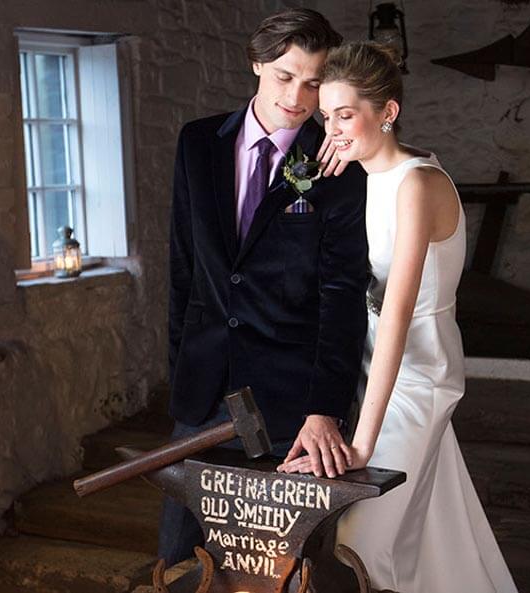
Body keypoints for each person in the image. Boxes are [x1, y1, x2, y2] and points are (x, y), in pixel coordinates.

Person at [279, 42, 519, 593]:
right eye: (325, 116)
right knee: (434, 536)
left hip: (416, 374)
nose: (331, 130)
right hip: (370, 366)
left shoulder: (418, 184)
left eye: (346, 115)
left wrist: (361, 445)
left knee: (364, 537)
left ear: (387, 112)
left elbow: (395, 318)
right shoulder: (363, 175)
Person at [162, 10, 369, 567]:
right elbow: (184, 267)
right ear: (256, 63)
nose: (297, 96)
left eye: (314, 82)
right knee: (181, 563)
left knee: (284, 568)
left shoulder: (338, 165)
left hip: (293, 407)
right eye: (284, 75)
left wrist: (326, 408)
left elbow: (344, 293)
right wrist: (180, 366)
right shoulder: (198, 142)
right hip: (202, 393)